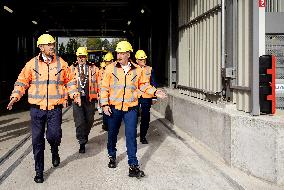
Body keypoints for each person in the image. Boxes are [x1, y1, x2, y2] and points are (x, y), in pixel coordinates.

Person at [7, 34, 81, 183]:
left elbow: (71, 81)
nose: (52, 46)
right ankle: (39, 171)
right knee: (37, 141)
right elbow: (21, 82)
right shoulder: (31, 64)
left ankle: (54, 151)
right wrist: (15, 96)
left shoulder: (62, 64)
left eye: (53, 44)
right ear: (41, 47)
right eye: (49, 44)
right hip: (36, 109)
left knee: (54, 136)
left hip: (55, 109)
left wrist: (75, 95)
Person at [100, 41, 167, 178]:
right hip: (114, 108)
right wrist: (105, 104)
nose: (118, 55)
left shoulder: (138, 70)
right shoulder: (110, 69)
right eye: (117, 53)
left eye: (122, 53)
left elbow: (143, 86)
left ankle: (133, 165)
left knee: (131, 136)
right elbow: (104, 88)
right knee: (112, 134)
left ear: (128, 54)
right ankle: (112, 155)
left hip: (131, 108)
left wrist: (154, 92)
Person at [69, 47, 100, 154]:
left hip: (89, 98)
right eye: (79, 57)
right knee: (79, 121)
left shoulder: (94, 68)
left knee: (89, 120)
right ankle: (81, 142)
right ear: (76, 57)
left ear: (86, 57)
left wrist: (100, 95)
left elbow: (100, 82)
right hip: (77, 98)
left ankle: (85, 134)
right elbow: (67, 83)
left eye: (83, 57)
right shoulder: (72, 69)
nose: (81, 59)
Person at [135, 50, 157, 144]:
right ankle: (132, 133)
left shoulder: (149, 69)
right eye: (141, 59)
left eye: (144, 59)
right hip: (135, 96)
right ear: (136, 60)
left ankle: (143, 136)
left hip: (146, 97)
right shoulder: (132, 69)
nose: (143, 61)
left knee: (145, 117)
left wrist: (154, 96)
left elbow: (153, 83)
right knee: (133, 117)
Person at [98, 52, 114, 131]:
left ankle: (108, 124)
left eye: (109, 62)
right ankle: (106, 124)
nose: (108, 63)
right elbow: (99, 82)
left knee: (111, 109)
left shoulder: (115, 69)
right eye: (107, 62)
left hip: (112, 93)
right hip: (104, 92)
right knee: (105, 108)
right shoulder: (102, 70)